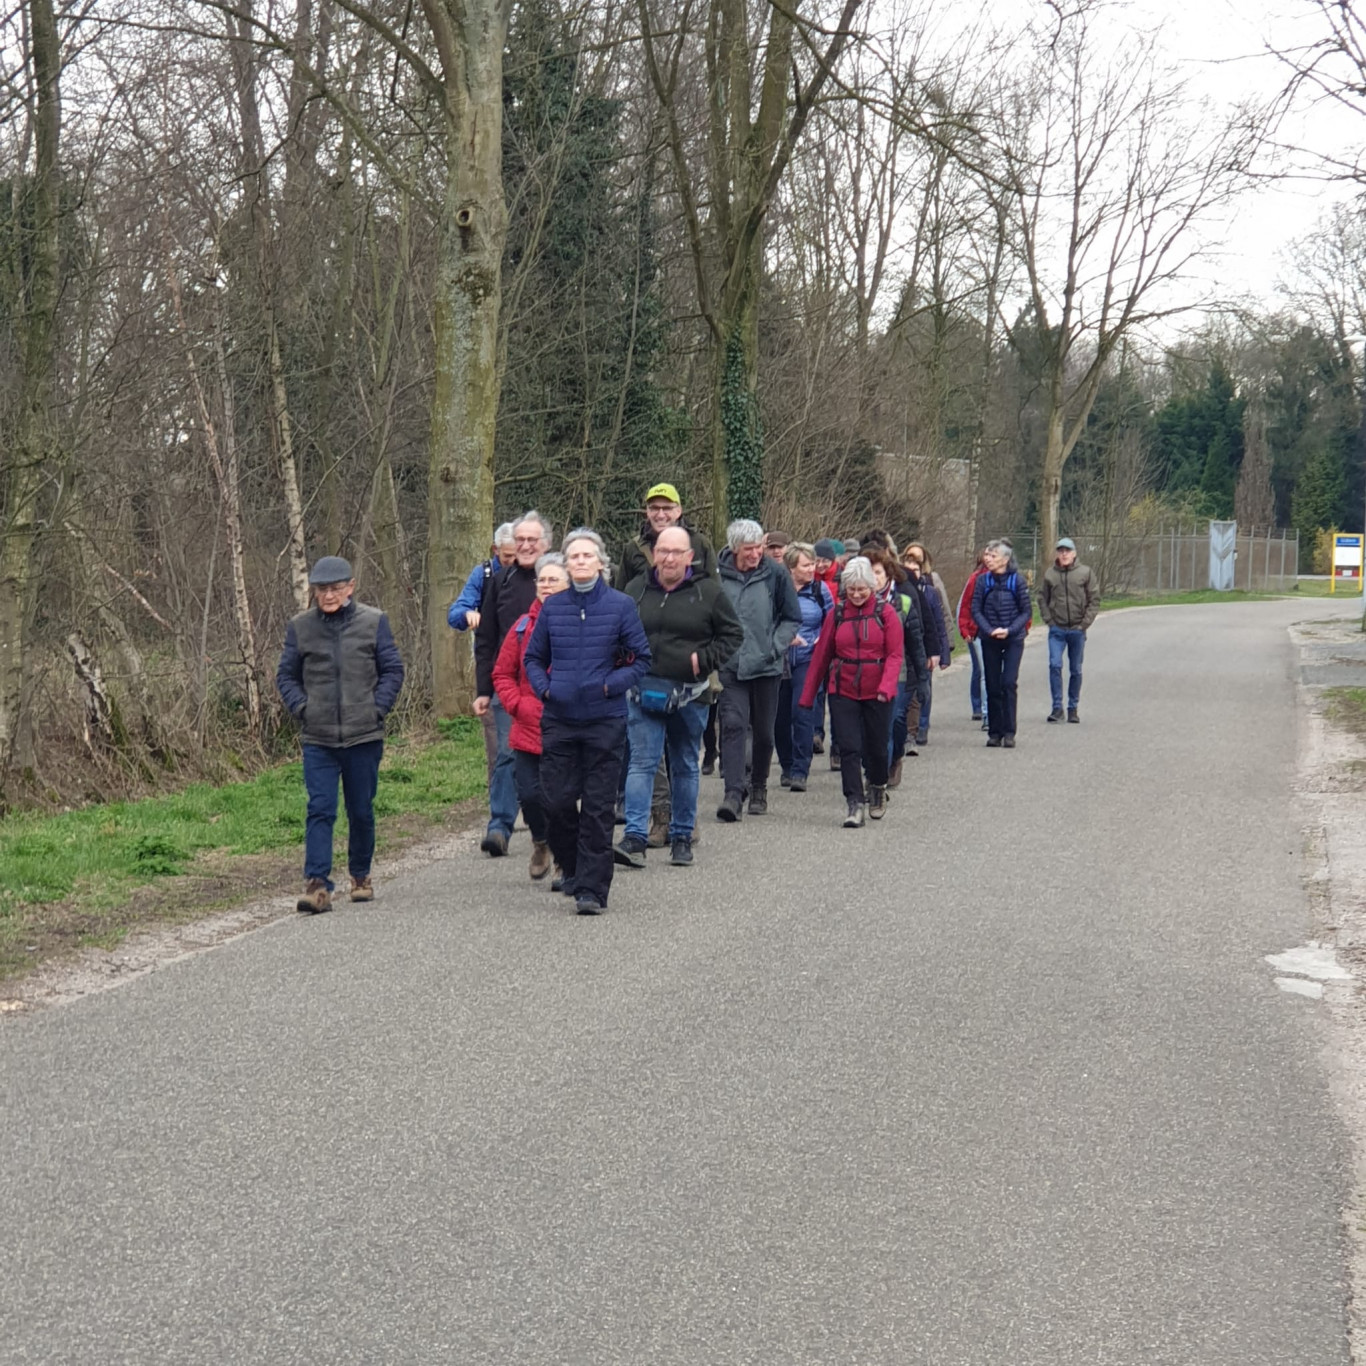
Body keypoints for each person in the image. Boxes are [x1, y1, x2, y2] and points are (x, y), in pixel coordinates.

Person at [524, 530, 651, 914]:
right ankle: (576, 867)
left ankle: (592, 891)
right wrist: (546, 689)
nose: (579, 561)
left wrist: (610, 686)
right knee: (556, 802)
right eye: (573, 556)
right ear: (565, 564)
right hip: (560, 719)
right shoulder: (553, 607)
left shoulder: (621, 606)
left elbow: (641, 659)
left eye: (586, 556)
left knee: (597, 807)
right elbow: (532, 658)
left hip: (604, 720)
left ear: (600, 563)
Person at [276, 556, 406, 914]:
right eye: (322, 590)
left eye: (335, 588)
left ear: (350, 587)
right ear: (314, 591)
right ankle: (317, 884)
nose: (329, 596)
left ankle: (360, 875)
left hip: (364, 734)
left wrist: (377, 708)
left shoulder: (374, 621)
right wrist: (302, 708)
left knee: (360, 810)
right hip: (318, 737)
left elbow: (393, 669)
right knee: (320, 808)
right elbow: (285, 675)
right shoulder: (300, 627)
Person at [619, 525, 744, 867]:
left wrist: (704, 661)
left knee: (685, 765)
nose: (669, 558)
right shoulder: (635, 589)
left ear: (690, 556)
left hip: (691, 695)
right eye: (663, 551)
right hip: (642, 691)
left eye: (677, 552)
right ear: (654, 554)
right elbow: (616, 631)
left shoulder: (709, 592)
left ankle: (681, 836)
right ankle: (634, 837)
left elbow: (733, 635)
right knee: (642, 763)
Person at [799, 556, 903, 827]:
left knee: (877, 748)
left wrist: (886, 687)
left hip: (877, 690)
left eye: (862, 589)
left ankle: (877, 787)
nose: (856, 594)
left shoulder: (886, 613)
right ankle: (854, 802)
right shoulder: (838, 614)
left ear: (871, 586)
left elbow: (894, 655)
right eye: (852, 589)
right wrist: (807, 696)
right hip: (842, 688)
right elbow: (822, 656)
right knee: (848, 747)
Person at [473, 511, 552, 858]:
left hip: (554, 690)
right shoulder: (500, 581)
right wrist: (483, 690)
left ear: (546, 544)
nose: (525, 546)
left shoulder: (559, 580)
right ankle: (500, 826)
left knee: (552, 760)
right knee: (507, 753)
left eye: (532, 540)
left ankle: (551, 829)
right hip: (510, 688)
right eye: (520, 540)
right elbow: (486, 638)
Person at [714, 519, 803, 821]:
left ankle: (759, 786)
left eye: (759, 548)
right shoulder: (717, 574)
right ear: (734, 548)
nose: (755, 554)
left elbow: (792, 617)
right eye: (749, 549)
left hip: (766, 666)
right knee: (734, 724)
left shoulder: (775, 574)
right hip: (730, 664)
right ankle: (733, 793)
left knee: (764, 733)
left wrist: (775, 647)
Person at [493, 552, 570, 884]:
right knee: (530, 795)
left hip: (566, 726)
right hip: (526, 727)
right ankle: (540, 841)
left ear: (569, 584)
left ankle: (564, 859)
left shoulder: (580, 623)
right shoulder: (522, 628)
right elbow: (502, 674)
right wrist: (517, 705)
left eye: (555, 579)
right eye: (543, 580)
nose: (547, 585)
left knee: (562, 799)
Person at [450, 522, 516, 785]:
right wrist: (468, 614)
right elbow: (455, 613)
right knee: (497, 741)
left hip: (528, 667)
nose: (512, 562)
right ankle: (500, 803)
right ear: (494, 549)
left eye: (516, 556)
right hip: (493, 667)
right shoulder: (483, 575)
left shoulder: (536, 573)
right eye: (507, 556)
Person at [863, 548, 928, 788]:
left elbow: (916, 640)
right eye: (869, 572)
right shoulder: (853, 601)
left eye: (877, 572)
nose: (873, 577)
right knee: (873, 727)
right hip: (866, 672)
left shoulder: (904, 600)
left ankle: (891, 761)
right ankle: (874, 774)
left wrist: (922, 678)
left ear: (887, 573)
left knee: (894, 723)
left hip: (899, 671)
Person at [775, 542, 833, 793]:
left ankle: (800, 769)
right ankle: (786, 767)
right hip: (780, 658)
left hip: (810, 658)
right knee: (779, 716)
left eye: (813, 564)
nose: (812, 569)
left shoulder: (821, 590)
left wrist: (822, 639)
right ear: (791, 568)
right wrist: (783, 637)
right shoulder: (776, 590)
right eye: (806, 565)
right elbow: (765, 620)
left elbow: (832, 620)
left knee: (802, 710)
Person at [971, 539, 1032, 748]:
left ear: (1005, 559)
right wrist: (989, 630)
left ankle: (1009, 731)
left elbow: (1026, 612)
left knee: (1008, 683)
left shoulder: (1018, 581)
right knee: (992, 684)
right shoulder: (982, 581)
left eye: (994, 556)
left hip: (1013, 638)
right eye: (989, 555)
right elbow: (975, 609)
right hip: (989, 639)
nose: (990, 559)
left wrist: (1009, 630)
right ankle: (994, 732)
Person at [614, 482, 717, 589]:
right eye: (654, 508)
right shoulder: (633, 548)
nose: (661, 515)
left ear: (679, 511)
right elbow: (621, 596)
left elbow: (715, 591)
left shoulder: (700, 544)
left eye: (667, 508)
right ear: (647, 512)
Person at [1041, 536, 1098, 723]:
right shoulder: (1050, 574)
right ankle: (1057, 707)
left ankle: (1073, 707)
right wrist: (1049, 621)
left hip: (1077, 630)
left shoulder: (1085, 573)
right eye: (1061, 551)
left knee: (1076, 669)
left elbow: (1094, 600)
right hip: (1057, 629)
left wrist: (1084, 624)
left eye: (1067, 551)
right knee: (1055, 665)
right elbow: (1042, 598)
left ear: (1074, 553)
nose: (1064, 554)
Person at [901, 542, 951, 746]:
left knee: (924, 687)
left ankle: (922, 725)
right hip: (906, 646)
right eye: (909, 562)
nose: (912, 569)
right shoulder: (899, 587)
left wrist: (943, 653)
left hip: (924, 646)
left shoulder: (930, 590)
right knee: (907, 689)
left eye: (917, 565)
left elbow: (938, 622)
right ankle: (907, 729)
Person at [957, 549, 989, 730]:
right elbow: (965, 606)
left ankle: (994, 711)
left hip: (998, 633)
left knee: (993, 674)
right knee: (982, 671)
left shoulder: (1008, 578)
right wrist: (964, 628)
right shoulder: (975, 579)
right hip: (976, 631)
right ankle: (984, 713)